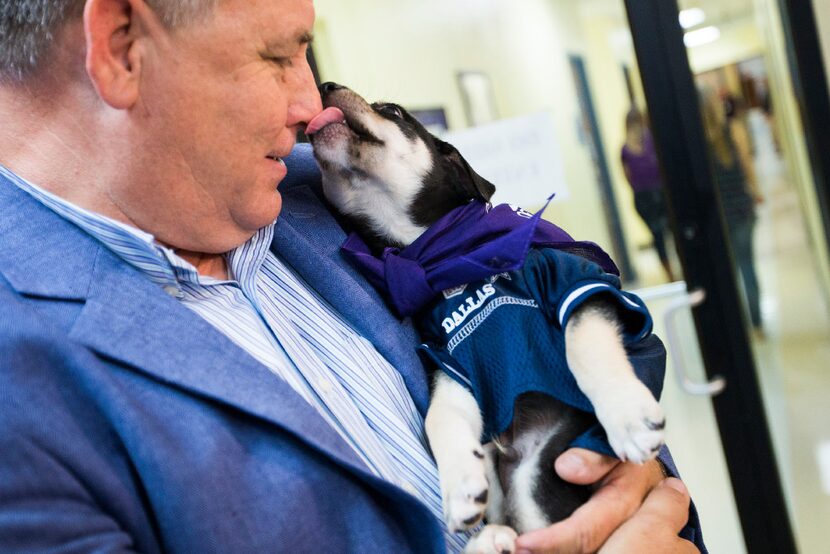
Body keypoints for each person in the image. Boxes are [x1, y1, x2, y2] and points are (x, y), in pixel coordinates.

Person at [0, 0, 702, 552]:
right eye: (279, 55)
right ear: (121, 44)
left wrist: (619, 477)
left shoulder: (334, 190)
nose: (313, 104)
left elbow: (534, 345)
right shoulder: (19, 397)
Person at [700, 87, 765, 335]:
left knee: (728, 272)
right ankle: (757, 324)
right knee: (748, 266)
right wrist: (757, 193)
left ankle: (736, 327)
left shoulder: (699, 143)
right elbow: (748, 166)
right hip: (742, 210)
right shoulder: (734, 130)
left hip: (721, 217)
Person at [621, 108, 676, 282]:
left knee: (658, 236)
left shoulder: (626, 149)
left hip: (643, 197)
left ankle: (670, 275)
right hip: (657, 193)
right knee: (668, 233)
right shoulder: (650, 140)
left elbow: (627, 177)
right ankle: (673, 272)